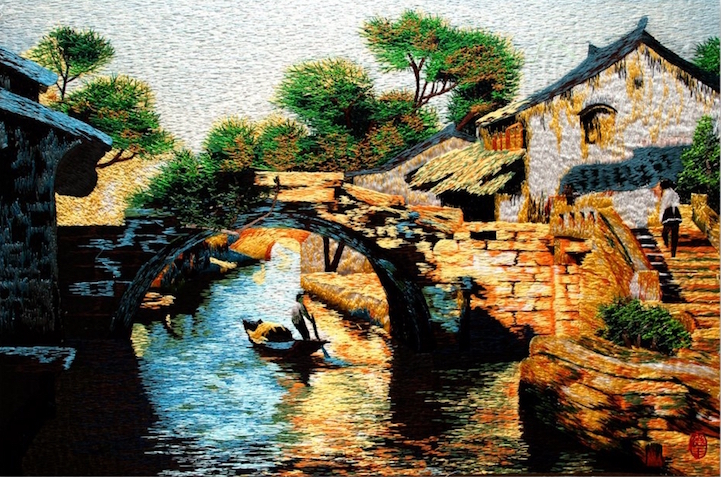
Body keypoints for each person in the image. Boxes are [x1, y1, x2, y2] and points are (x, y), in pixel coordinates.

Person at [658, 179, 682, 257]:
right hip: (675, 212)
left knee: (665, 232)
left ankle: (667, 245)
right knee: (675, 234)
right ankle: (673, 252)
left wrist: (661, 216)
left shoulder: (667, 193)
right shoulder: (674, 193)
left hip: (669, 212)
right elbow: (677, 201)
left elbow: (664, 205)